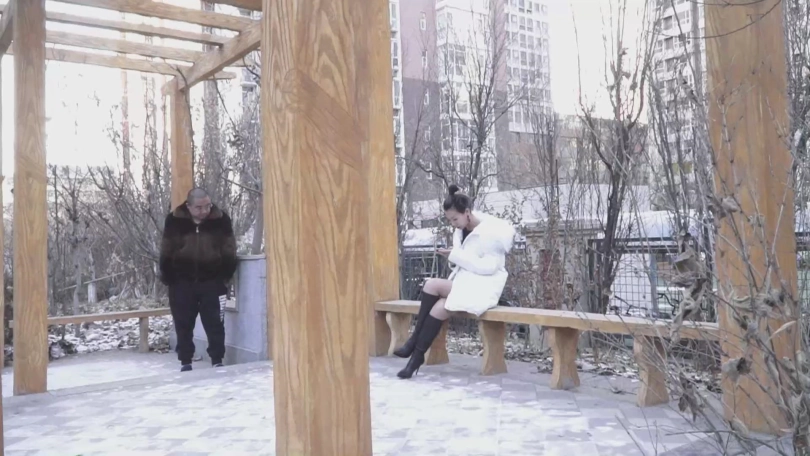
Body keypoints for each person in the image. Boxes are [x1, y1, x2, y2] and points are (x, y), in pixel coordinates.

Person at [394, 184, 516, 379]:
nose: (453, 224)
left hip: (484, 287)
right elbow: (462, 263)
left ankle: (413, 341)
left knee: (431, 285)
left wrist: (455, 255)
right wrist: (452, 256)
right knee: (438, 308)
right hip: (466, 283)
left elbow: (489, 267)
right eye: (449, 220)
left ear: (467, 212)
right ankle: (415, 360)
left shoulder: (491, 234)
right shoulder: (460, 231)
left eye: (455, 219)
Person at [159, 188, 238, 372]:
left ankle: (217, 359)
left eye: (208, 206)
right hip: (181, 282)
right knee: (183, 323)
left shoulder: (221, 220)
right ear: (188, 206)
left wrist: (225, 275)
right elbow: (166, 249)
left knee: (215, 323)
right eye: (199, 207)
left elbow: (229, 249)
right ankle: (185, 360)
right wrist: (168, 276)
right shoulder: (174, 220)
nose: (205, 211)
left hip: (213, 281)